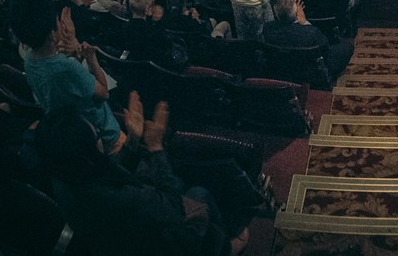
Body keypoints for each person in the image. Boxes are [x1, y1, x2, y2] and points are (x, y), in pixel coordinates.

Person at [35, 93, 250, 255]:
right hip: (158, 243)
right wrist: (156, 148)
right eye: (96, 135)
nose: (100, 137)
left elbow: (107, 172)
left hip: (115, 241)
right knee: (199, 193)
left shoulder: (63, 178)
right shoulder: (129, 199)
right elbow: (174, 207)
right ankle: (225, 248)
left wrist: (133, 141)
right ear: (88, 153)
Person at [9, 0, 123, 154]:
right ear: (52, 34)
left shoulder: (29, 59)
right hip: (99, 133)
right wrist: (91, 59)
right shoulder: (65, 67)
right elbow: (103, 94)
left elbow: (68, 86)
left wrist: (75, 52)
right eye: (57, 21)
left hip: (65, 128)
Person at [262, 0, 353, 77]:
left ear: (276, 13)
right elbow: (325, 47)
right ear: (296, 12)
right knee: (347, 45)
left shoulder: (267, 28)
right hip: (308, 71)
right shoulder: (311, 31)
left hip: (280, 68)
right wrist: (305, 22)